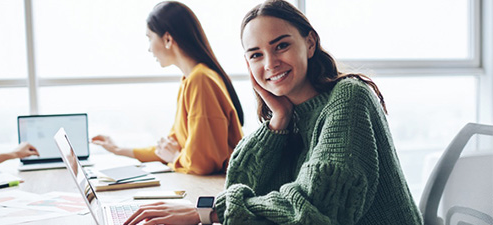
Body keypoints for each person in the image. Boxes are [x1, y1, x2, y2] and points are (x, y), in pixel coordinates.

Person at [123, 0, 423, 224]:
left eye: (280, 46)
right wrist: (277, 121)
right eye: (256, 55)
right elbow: (241, 184)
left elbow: (315, 210)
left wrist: (207, 212)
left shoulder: (349, 98)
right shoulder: (289, 114)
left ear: (310, 42)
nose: (270, 63)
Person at [91, 1, 244, 175]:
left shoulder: (201, 80)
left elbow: (201, 163)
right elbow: (171, 146)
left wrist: (175, 157)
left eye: (150, 38)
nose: (149, 49)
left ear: (168, 39)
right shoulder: (190, 79)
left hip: (216, 187)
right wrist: (118, 149)